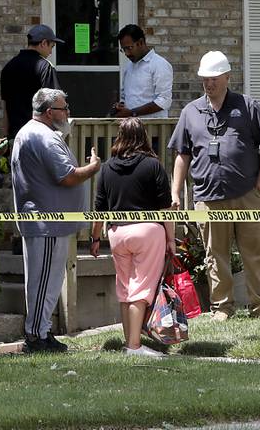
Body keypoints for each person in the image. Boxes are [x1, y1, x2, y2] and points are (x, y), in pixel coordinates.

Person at [168, 50, 260, 321]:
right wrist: (175, 191)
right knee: (215, 255)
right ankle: (222, 308)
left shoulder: (247, 106)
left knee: (256, 252)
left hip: (248, 195)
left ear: (228, 77)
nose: (209, 83)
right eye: (205, 79)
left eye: (215, 78)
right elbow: (182, 154)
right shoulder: (190, 112)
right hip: (208, 196)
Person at [12, 88, 101, 353]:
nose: (68, 112)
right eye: (64, 108)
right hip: (47, 224)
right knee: (44, 283)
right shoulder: (43, 137)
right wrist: (93, 167)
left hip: (47, 223)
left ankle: (42, 331)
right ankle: (36, 337)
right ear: (50, 112)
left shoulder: (32, 132)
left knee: (46, 282)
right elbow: (68, 176)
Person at [90, 118, 175, 357]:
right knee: (141, 291)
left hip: (117, 233)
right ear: (143, 136)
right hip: (148, 232)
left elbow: (99, 210)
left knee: (125, 290)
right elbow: (165, 208)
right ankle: (134, 346)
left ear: (119, 136)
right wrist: (170, 239)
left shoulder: (107, 168)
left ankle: (130, 343)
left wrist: (95, 239)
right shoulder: (153, 165)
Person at [0, 24, 63, 142]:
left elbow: (5, 107)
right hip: (39, 138)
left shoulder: (8, 67)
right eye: (52, 46)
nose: (50, 52)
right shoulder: (45, 67)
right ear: (43, 43)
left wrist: (6, 136)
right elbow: (55, 104)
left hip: (16, 138)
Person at [110, 24, 173, 118]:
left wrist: (132, 113)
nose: (127, 53)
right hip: (130, 126)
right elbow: (125, 96)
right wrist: (120, 106)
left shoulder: (159, 64)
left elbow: (164, 101)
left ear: (141, 42)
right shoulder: (129, 66)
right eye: (123, 49)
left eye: (129, 48)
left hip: (153, 127)